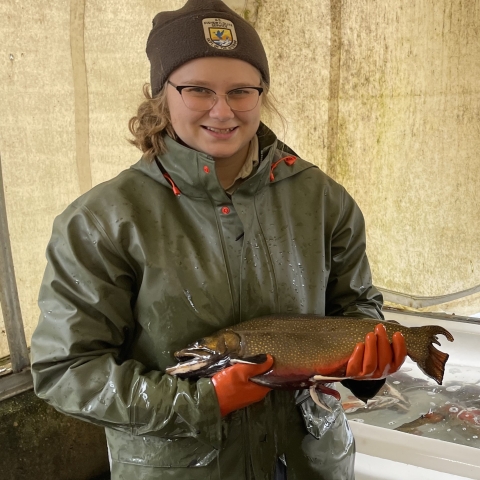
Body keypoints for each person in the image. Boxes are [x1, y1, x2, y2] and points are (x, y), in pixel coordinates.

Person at [31, 1, 407, 479]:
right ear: (160, 95)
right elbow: (67, 369)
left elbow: (357, 308)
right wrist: (204, 400)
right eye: (198, 90)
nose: (222, 110)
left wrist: (368, 364)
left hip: (310, 462)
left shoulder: (323, 200)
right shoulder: (102, 220)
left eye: (241, 91)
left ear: (261, 94)